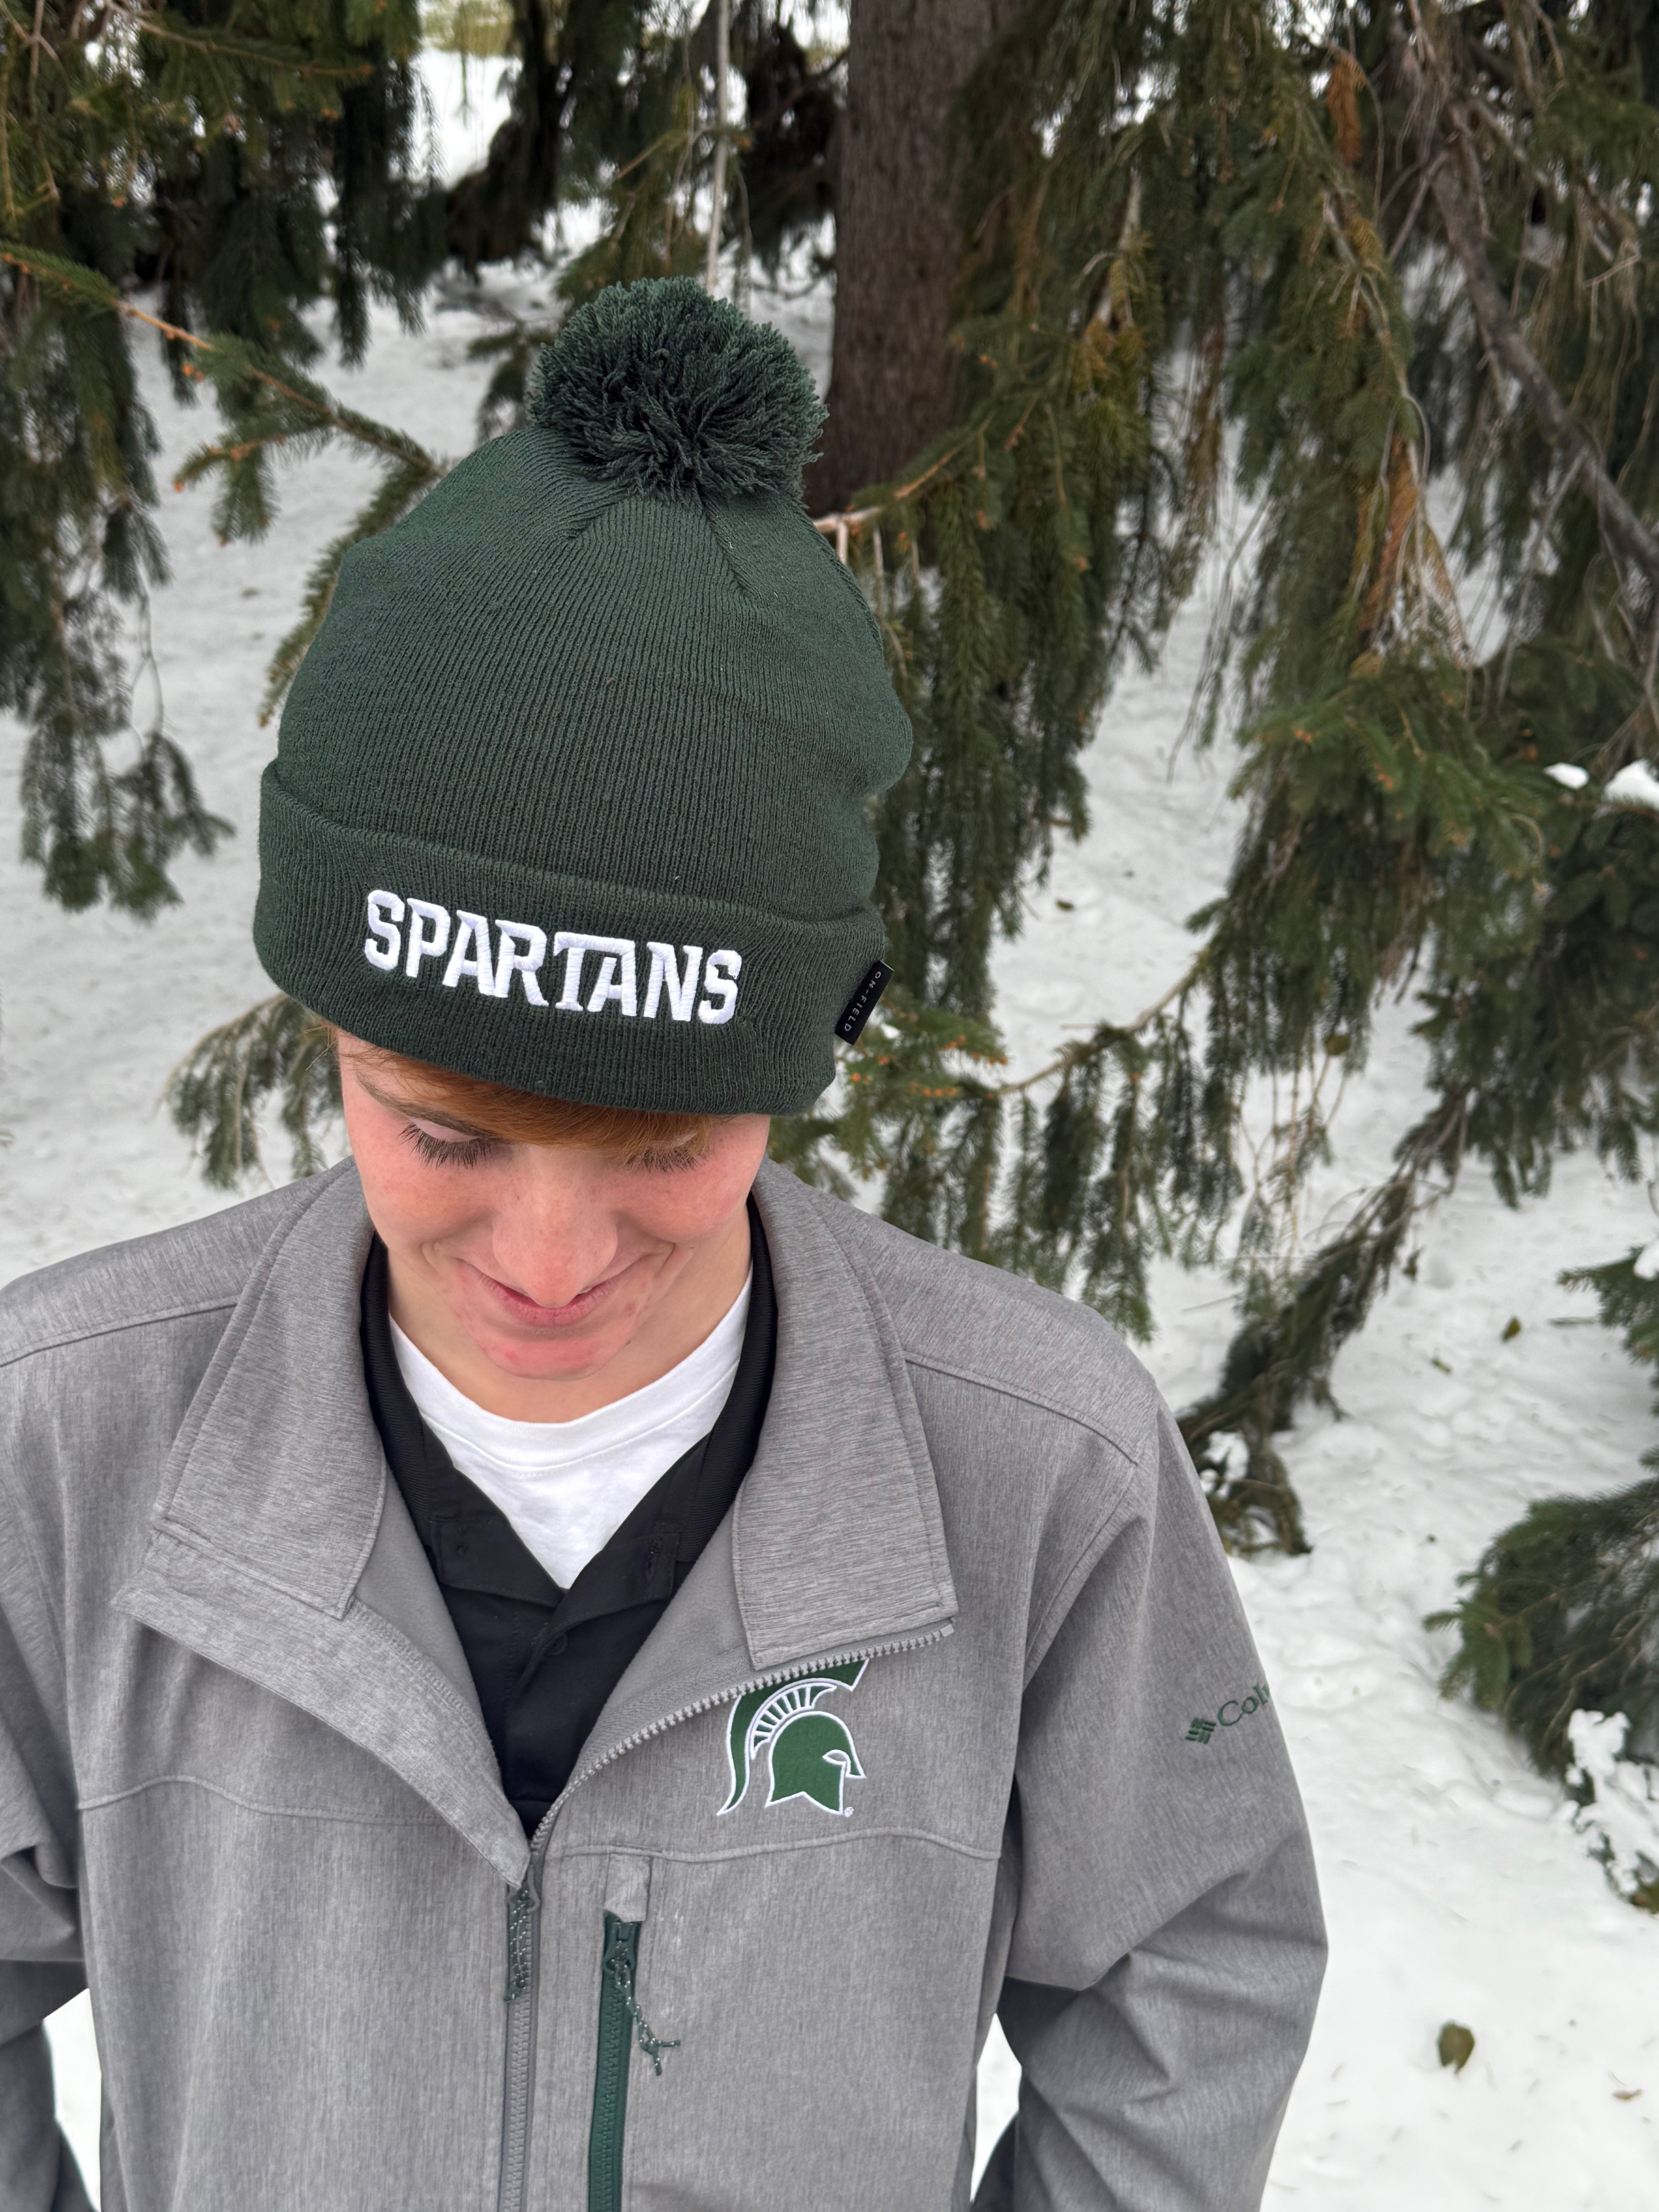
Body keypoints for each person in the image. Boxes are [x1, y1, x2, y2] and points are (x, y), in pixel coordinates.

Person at [0, 278, 1324, 2212]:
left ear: (809, 1056)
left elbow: (1190, 1962)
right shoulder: (63, 1448)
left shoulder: (1042, 1472)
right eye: (443, 1130)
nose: (545, 1252)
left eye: (661, 1143)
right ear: (327, 1035)